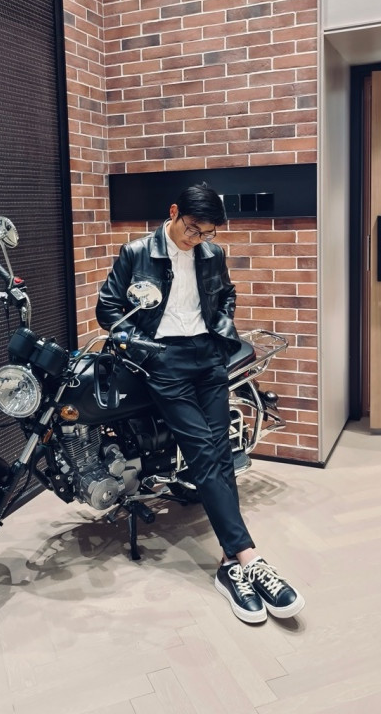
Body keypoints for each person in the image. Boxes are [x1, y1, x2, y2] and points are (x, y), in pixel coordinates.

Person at [96, 183, 305, 624]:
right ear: (174, 212)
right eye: (193, 229)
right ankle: (249, 557)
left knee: (221, 452)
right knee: (204, 453)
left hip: (208, 357)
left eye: (208, 232)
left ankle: (230, 565)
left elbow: (226, 294)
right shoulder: (137, 253)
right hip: (163, 360)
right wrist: (143, 347)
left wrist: (220, 329)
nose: (199, 239)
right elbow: (108, 309)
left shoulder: (212, 253)